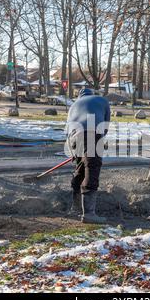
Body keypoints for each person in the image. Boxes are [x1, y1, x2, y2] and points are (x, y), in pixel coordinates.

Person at [66, 88, 110, 224]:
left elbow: (67, 131)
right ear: (91, 94)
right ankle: (89, 213)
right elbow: (105, 124)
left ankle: (75, 206)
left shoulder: (73, 105)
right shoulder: (102, 100)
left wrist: (74, 153)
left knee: (80, 167)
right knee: (92, 166)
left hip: (74, 135)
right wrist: (101, 140)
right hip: (92, 130)